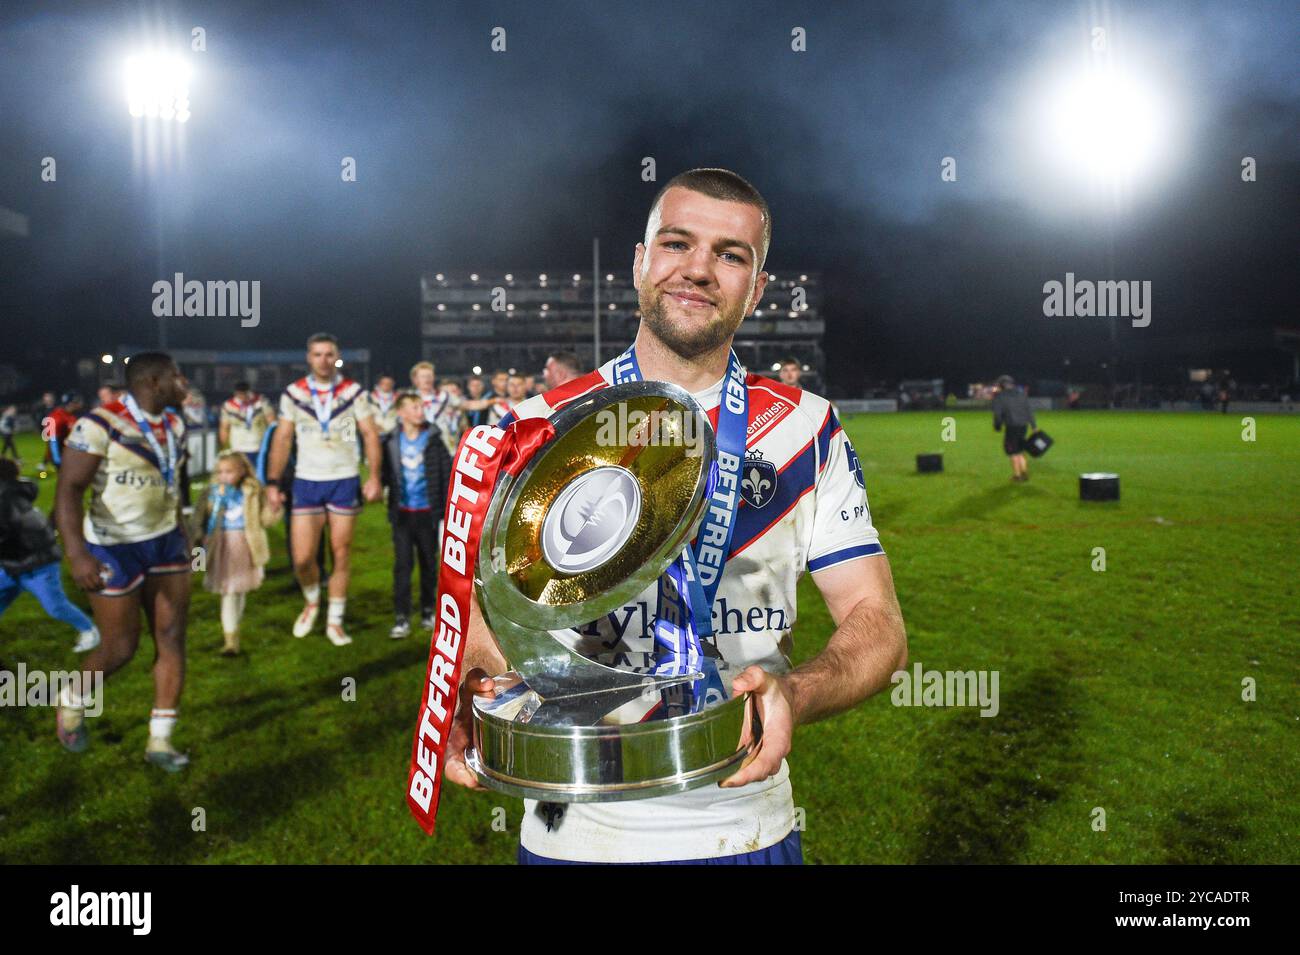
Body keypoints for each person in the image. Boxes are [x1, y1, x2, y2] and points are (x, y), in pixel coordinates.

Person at [443, 167, 908, 865]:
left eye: (730, 254)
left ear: (756, 288)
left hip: (740, 820)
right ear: (640, 261)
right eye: (677, 243)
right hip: (575, 827)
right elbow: (483, 624)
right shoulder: (534, 429)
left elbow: (878, 624)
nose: (698, 269)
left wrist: (797, 692)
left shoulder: (805, 429)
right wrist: (473, 687)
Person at [53, 352, 193, 771]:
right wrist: (77, 553)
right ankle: (72, 700)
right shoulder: (99, 424)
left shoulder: (176, 423)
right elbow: (68, 489)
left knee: (171, 638)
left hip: (167, 542)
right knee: (120, 648)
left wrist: (184, 529)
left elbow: (174, 480)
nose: (182, 383)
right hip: (114, 547)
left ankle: (161, 742)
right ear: (152, 382)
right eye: (175, 376)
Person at [265, 333, 382, 646]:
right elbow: (282, 438)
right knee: (302, 558)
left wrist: (373, 476)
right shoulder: (293, 393)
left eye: (329, 354)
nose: (324, 360)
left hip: (344, 479)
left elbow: (370, 434)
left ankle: (335, 621)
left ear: (337, 356)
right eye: (317, 354)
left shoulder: (354, 391)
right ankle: (313, 600)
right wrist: (274, 482)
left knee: (340, 553)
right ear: (309, 358)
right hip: (306, 480)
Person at [0, 458, 100, 653]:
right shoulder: (11, 494)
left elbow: (6, 534)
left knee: (55, 606)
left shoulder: (6, 502)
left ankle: (90, 630)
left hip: (37, 563)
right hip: (12, 562)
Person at [380, 392, 452, 639]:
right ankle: (401, 617)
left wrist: (444, 509)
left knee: (429, 565)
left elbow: (446, 474)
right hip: (401, 514)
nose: (420, 410)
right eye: (414, 407)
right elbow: (385, 472)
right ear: (401, 412)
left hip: (427, 514)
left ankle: (427, 611)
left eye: (421, 406)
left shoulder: (433, 439)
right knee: (402, 566)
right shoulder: (390, 440)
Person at [197, 451, 280, 656]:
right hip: (221, 546)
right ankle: (230, 641)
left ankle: (234, 631)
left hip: (246, 546)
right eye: (220, 471)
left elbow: (265, 520)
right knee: (229, 592)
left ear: (242, 471)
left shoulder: (252, 491)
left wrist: (276, 508)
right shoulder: (210, 492)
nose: (224, 476)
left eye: (229, 471)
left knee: (239, 590)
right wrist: (197, 549)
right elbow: (198, 522)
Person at [992, 374, 1036, 482]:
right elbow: (1029, 410)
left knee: (1012, 452)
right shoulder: (1021, 394)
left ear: (1002, 385)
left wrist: (997, 425)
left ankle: (1017, 476)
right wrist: (1034, 426)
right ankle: (1024, 472)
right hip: (1023, 426)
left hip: (1011, 427)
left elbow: (998, 414)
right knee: (1020, 450)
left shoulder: (1000, 396)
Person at [218, 381, 276, 454]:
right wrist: (224, 448)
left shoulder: (261, 402)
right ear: (235, 393)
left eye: (244, 393)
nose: (242, 396)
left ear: (248, 391)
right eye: (239, 394)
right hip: (237, 448)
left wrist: (273, 442)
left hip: (258, 446)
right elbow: (224, 427)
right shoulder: (228, 406)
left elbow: (272, 422)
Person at [43, 393, 84, 469]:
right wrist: (58, 461)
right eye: (78, 402)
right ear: (71, 404)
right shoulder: (56, 417)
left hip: (72, 454)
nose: (80, 404)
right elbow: (53, 441)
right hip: (63, 455)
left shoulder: (71, 415)